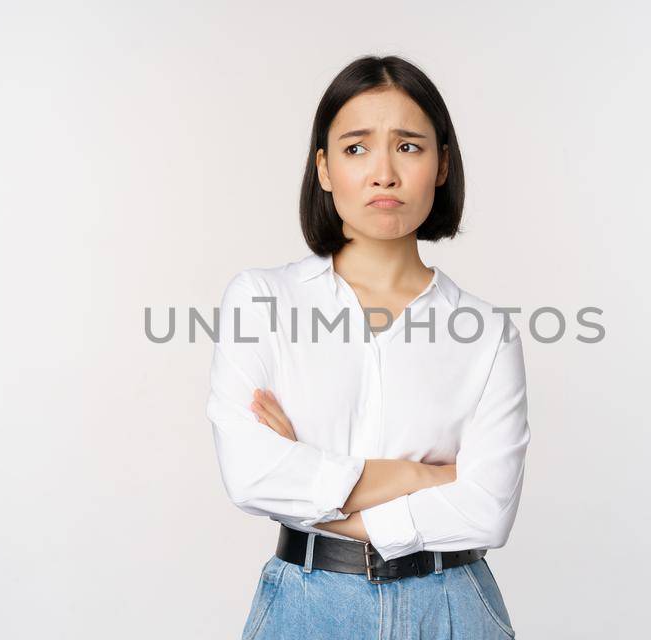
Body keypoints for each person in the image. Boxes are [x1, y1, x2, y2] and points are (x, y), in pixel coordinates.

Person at [207, 54, 529, 639]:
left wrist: (312, 483)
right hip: (306, 607)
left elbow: (487, 511)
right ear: (325, 168)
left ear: (441, 165)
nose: (383, 172)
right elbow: (252, 475)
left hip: (453, 609)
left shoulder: (485, 331)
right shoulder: (262, 301)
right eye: (357, 148)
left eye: (408, 146)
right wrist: (426, 477)